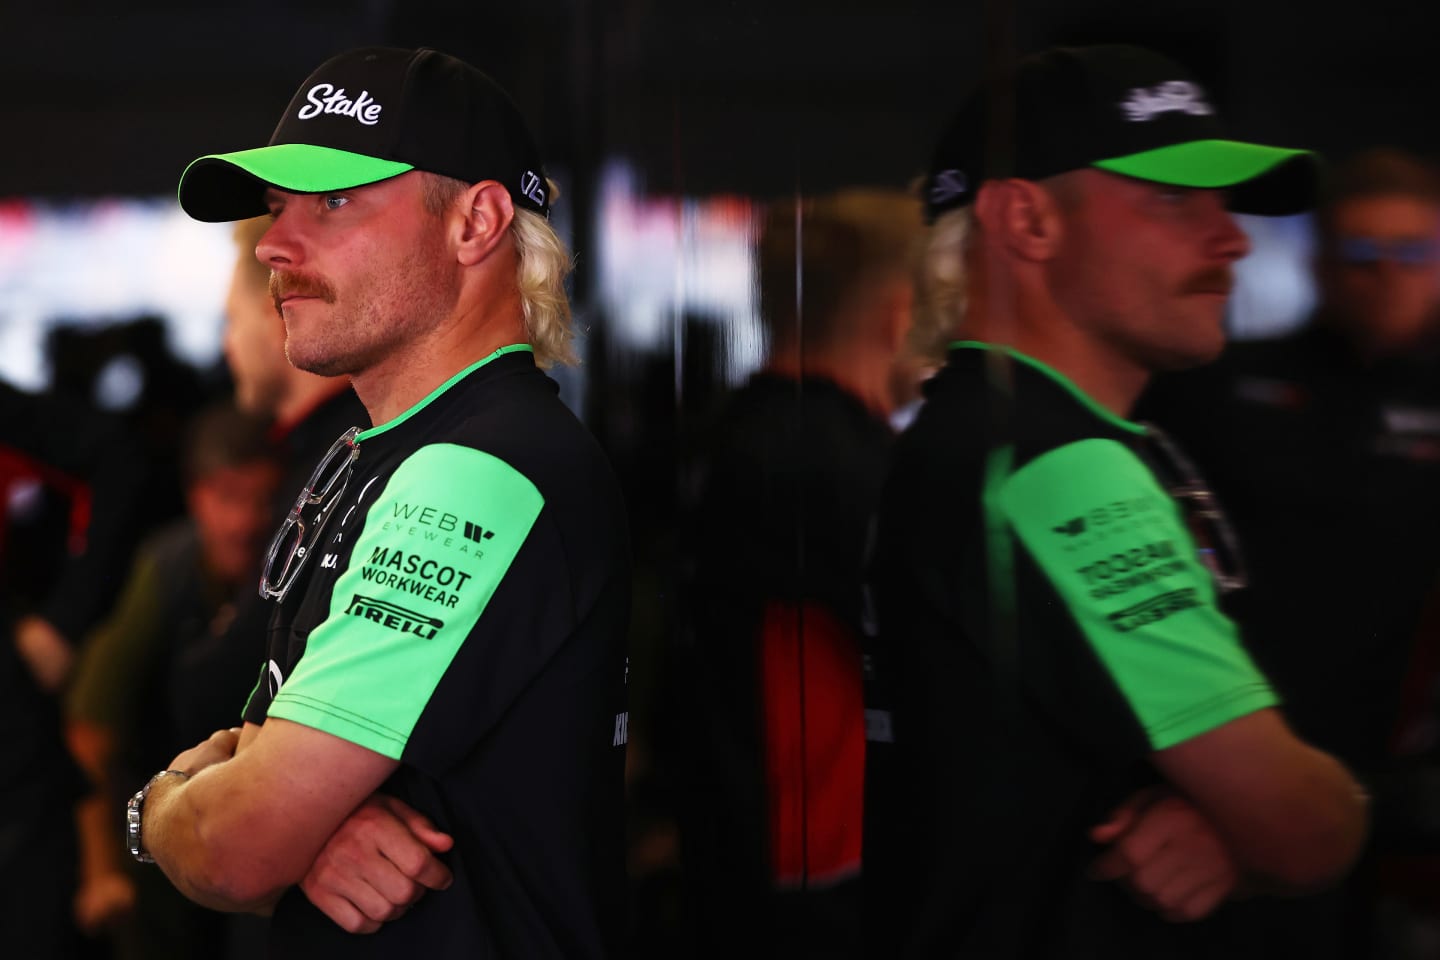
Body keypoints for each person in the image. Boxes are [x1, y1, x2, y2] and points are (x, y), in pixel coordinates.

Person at [861, 44, 1369, 958]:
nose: (1234, 238)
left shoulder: (980, 432)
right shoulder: (1058, 469)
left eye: (1226, 203)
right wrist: (1283, 823)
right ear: (1026, 220)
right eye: (1174, 198)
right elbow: (1303, 828)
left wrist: (1230, 828)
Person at [128, 46, 632, 958]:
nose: (273, 245)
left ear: (478, 220)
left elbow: (235, 847)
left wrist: (160, 806)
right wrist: (301, 823)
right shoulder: (376, 450)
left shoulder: (479, 468)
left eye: (335, 201)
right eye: (279, 208)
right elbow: (261, 754)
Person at [1137, 148, 1440, 956]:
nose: (1385, 274)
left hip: (1409, 769)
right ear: (1323, 260)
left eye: (1410, 251)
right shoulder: (1224, 381)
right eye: (1362, 252)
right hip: (1242, 751)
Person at [669, 189, 925, 958]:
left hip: (725, 849)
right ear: (899, 314)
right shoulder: (850, 467)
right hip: (821, 879)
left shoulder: (720, 436)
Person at [66, 403, 281, 958]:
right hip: (156, 826)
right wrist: (100, 871)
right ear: (196, 496)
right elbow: (92, 732)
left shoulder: (293, 566)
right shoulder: (164, 571)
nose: (246, 522)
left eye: (262, 500)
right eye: (228, 498)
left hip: (262, 827)